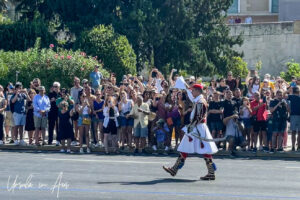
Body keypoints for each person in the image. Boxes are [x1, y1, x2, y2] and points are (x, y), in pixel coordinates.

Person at [163, 84, 218, 181]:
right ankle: (210, 172)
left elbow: (198, 117)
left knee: (199, 149)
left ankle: (175, 169)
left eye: (193, 91)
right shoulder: (199, 100)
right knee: (189, 148)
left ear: (197, 91)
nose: (192, 92)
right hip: (197, 127)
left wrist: (191, 126)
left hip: (197, 128)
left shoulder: (200, 102)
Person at [288, 86, 300, 151]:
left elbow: (284, 95)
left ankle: (293, 146)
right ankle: (298, 146)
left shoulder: (291, 97)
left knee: (293, 132)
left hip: (293, 115)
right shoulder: (292, 97)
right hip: (298, 115)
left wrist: (288, 90)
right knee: (299, 132)